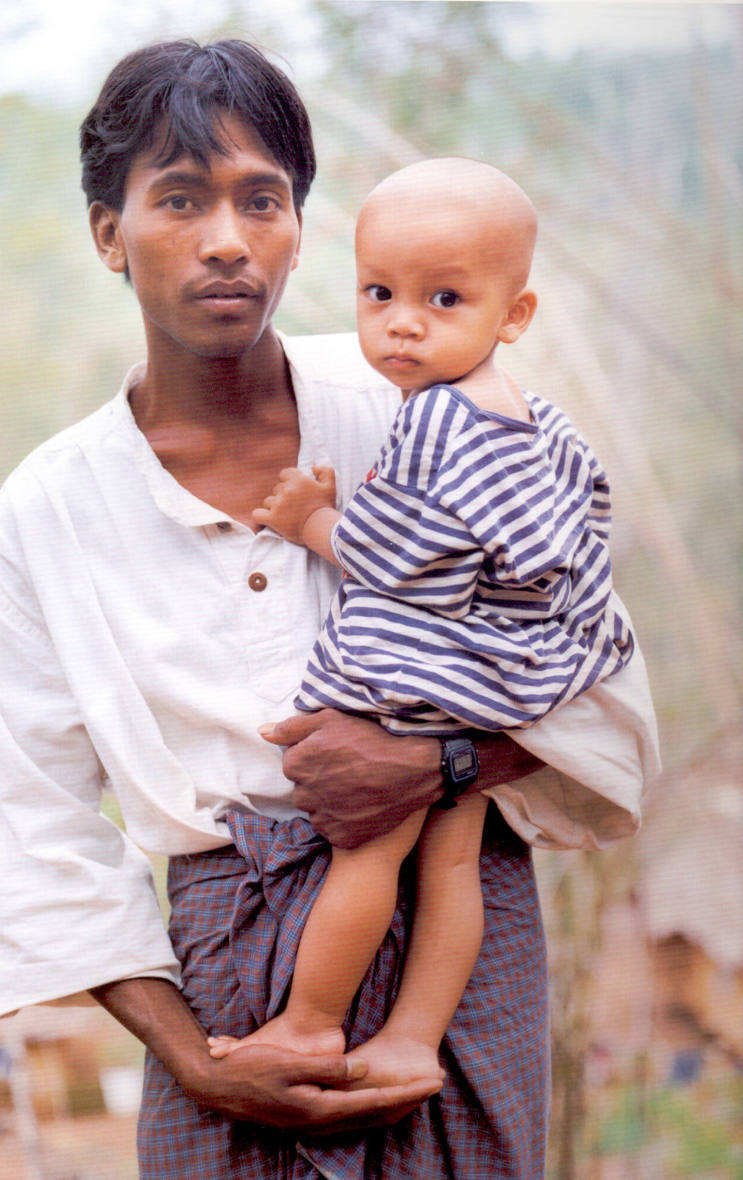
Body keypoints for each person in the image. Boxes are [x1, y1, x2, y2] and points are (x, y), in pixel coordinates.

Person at [0, 39, 660, 1180]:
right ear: (107, 234)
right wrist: (194, 1057)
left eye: (261, 199)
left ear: (299, 230)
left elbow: (599, 680)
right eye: (179, 199)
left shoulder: (435, 416)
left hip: (456, 936)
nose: (227, 238)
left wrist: (440, 766)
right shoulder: (49, 513)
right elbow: (31, 825)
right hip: (222, 979)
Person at [206, 158, 635, 1090]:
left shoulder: (439, 417)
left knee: (373, 848)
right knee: (452, 861)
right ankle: (409, 1037)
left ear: (512, 316)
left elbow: (406, 563)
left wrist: (308, 519)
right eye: (379, 292)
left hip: (432, 675)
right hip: (507, 677)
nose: (403, 321)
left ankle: (311, 1024)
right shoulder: (543, 422)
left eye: (444, 298)